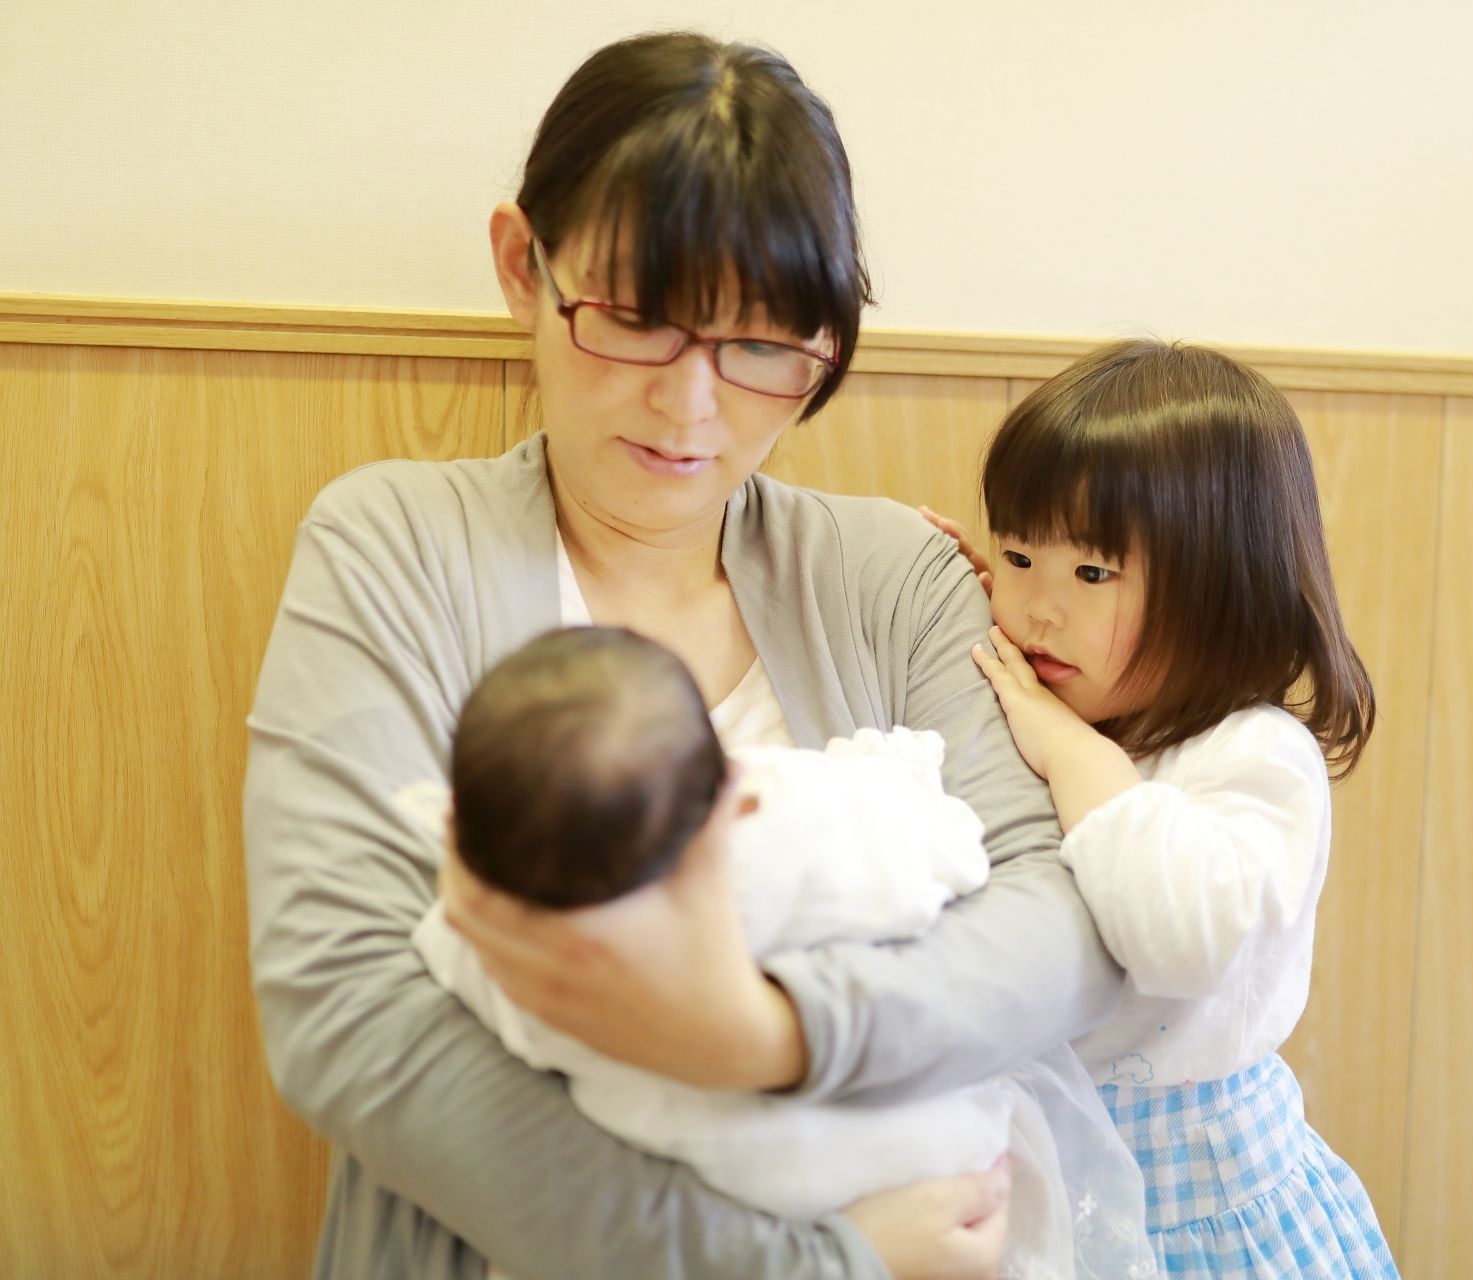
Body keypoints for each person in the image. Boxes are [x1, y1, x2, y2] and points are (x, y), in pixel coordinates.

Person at [244, 31, 1126, 1280]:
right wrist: (807, 1262)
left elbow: (1060, 930)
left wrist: (762, 1033)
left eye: (762, 346)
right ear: (522, 268)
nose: (690, 406)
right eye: (638, 321)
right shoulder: (393, 546)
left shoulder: (896, 576)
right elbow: (352, 1014)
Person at [410, 626, 1144, 1280]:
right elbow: (947, 857)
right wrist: (903, 775)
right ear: (736, 791)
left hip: (696, 1190)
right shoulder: (790, 834)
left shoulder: (512, 931)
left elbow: (443, 954)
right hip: (905, 1169)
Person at [925, 339, 1400, 1277]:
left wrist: (1067, 750)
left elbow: (1180, 936)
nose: (1035, 611)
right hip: (1029, 1178)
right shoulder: (1032, 703)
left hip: (1198, 1210)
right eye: (1018, 558)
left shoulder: (1253, 755)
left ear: (1223, 588)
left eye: (1092, 575)